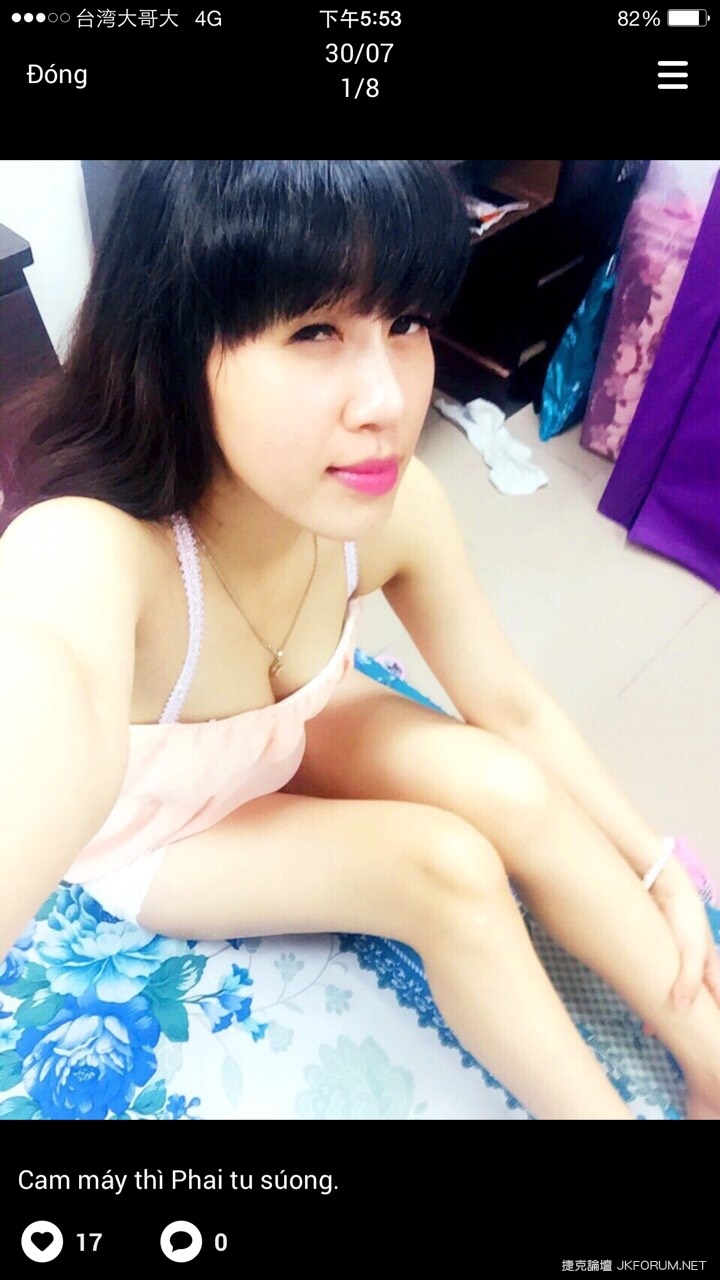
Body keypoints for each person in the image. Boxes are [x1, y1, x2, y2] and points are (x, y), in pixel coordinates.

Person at [1, 160, 719, 1122]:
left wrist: (659, 868)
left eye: (406, 321)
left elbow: (508, 704)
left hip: (290, 733)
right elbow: (42, 707)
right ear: (179, 336)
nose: (386, 401)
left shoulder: (397, 508)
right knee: (444, 867)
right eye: (314, 330)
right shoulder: (90, 550)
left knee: (507, 786)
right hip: (164, 831)